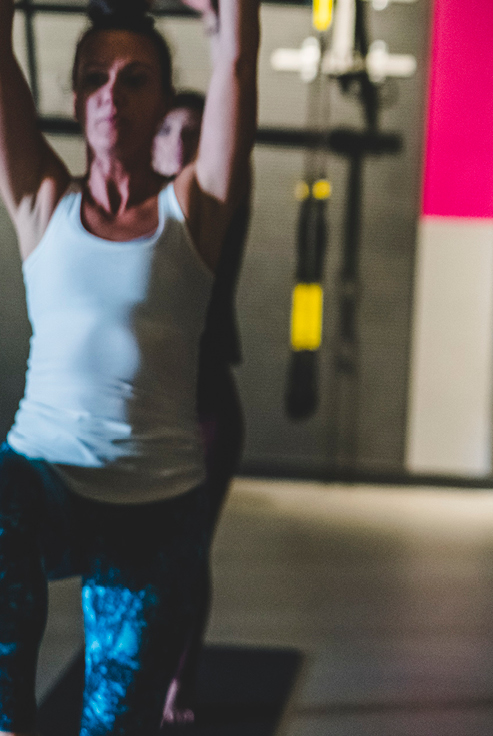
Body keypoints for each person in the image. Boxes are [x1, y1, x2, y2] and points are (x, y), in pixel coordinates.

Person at [0, 0, 258, 730]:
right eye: (97, 78)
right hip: (41, 480)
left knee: (115, 722)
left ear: (164, 103)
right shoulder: (41, 201)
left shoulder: (197, 207)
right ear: (78, 99)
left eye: (136, 78)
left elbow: (236, 61)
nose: (113, 92)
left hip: (153, 507)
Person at [151, 48, 254, 729]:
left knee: (187, 549)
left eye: (194, 132)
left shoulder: (218, 206)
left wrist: (226, 36)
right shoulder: (122, 206)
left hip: (208, 408)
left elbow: (237, 137)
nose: (182, 142)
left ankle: (178, 684)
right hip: (147, 407)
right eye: (169, 131)